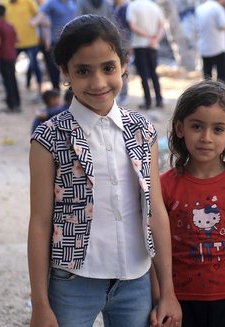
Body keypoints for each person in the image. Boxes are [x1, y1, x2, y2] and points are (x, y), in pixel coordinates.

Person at [28, 14, 181, 327]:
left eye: (108, 68)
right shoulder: (49, 137)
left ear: (124, 64)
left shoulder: (142, 131)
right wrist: (40, 305)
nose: (98, 82)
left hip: (135, 280)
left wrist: (167, 291)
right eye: (83, 71)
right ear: (64, 72)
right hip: (73, 282)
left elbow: (155, 213)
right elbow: (40, 223)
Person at [161, 79, 225, 327]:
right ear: (179, 128)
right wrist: (161, 299)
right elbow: (155, 251)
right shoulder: (164, 186)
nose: (206, 137)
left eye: (218, 129)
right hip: (183, 301)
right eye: (197, 126)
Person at [126, 0, 165, 110]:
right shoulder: (154, 6)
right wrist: (155, 39)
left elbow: (132, 26)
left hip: (139, 44)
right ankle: (159, 100)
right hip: (153, 45)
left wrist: (147, 36)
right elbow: (162, 25)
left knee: (143, 74)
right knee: (154, 73)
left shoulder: (133, 6)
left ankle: (147, 102)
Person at [0, 0, 43, 95]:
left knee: (34, 66)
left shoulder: (28, 1)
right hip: (12, 43)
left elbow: (39, 15)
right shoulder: (3, 2)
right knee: (9, 68)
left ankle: (40, 90)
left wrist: (35, 23)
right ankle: (12, 93)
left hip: (30, 41)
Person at [34, 0, 76, 91]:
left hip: (71, 40)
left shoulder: (72, 3)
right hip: (56, 41)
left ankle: (72, 89)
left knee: (72, 65)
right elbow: (42, 16)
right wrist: (34, 22)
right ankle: (56, 89)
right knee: (54, 67)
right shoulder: (51, 3)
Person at [0, 4, 21, 112]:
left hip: (3, 56)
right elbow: (18, 39)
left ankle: (11, 105)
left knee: (7, 81)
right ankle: (17, 103)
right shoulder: (10, 25)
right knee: (13, 79)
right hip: (12, 55)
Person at [195, 0, 225, 83]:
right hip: (218, 47)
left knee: (207, 78)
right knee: (222, 78)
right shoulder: (218, 8)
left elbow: (196, 28)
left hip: (204, 48)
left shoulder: (199, 9)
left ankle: (207, 96)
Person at [112, 0, 131, 106]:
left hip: (124, 44)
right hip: (111, 44)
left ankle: (123, 95)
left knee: (123, 70)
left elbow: (130, 26)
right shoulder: (110, 7)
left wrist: (129, 45)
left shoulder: (127, 8)